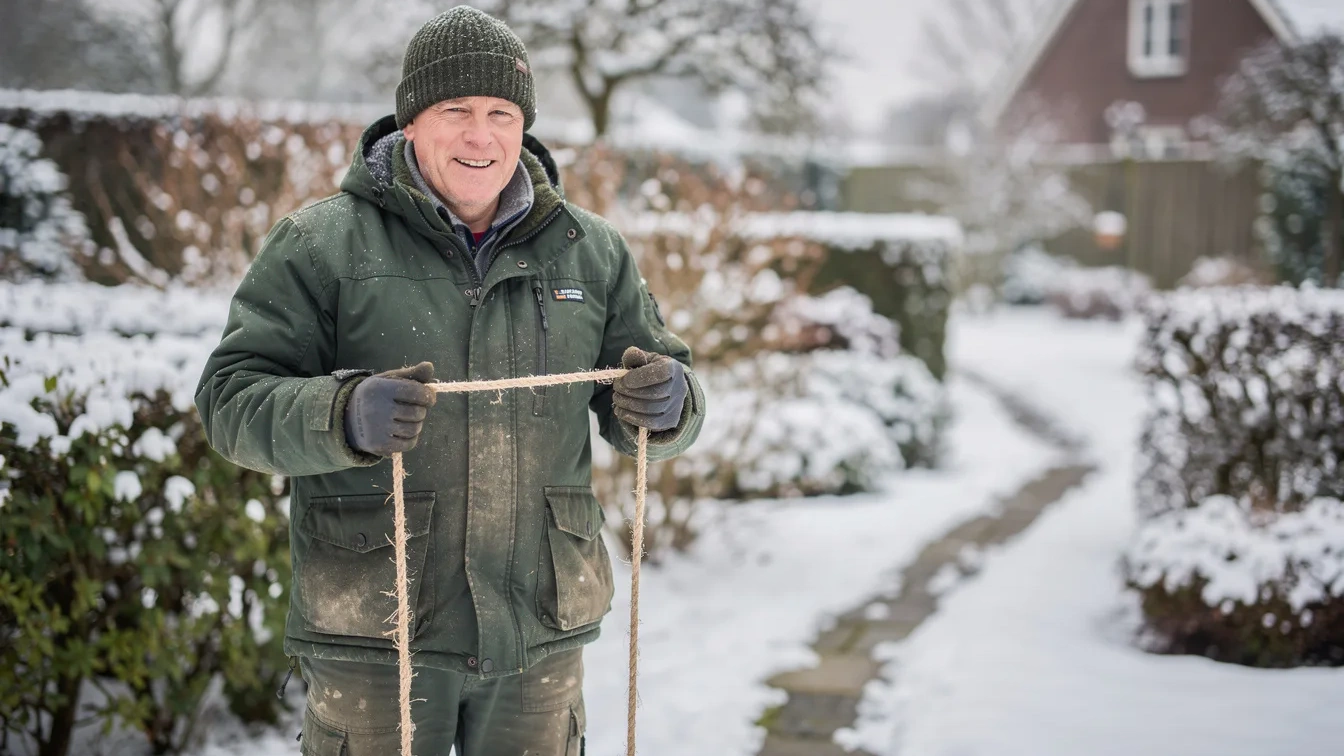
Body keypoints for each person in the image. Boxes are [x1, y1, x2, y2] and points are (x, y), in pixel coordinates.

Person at [193, 6, 706, 754]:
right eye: (455, 110)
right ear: (409, 123)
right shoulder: (322, 243)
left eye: (501, 113)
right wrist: (341, 415)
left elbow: (662, 393)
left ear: (523, 127)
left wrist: (671, 404)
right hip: (379, 634)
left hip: (539, 633)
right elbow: (230, 401)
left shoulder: (589, 253)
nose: (480, 135)